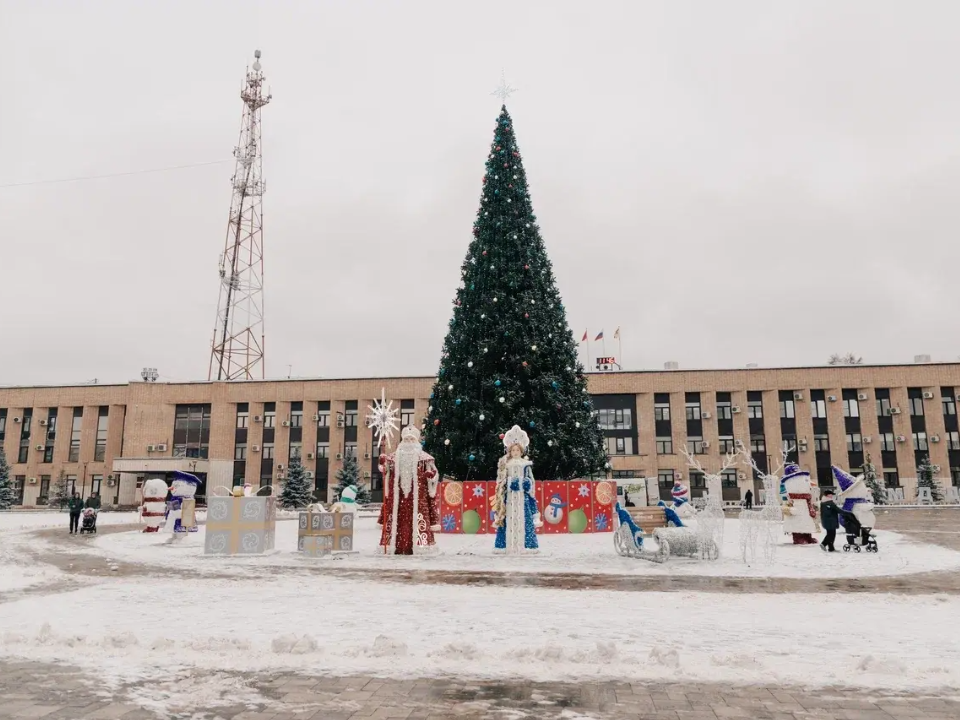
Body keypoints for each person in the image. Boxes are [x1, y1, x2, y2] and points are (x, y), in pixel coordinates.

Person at [378, 425, 440, 554]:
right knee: (397, 521)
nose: (409, 442)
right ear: (402, 441)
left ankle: (420, 546)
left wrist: (431, 477)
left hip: (418, 498)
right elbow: (387, 473)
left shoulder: (425, 458)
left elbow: (434, 475)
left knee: (418, 520)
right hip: (398, 498)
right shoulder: (393, 458)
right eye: (406, 439)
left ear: (416, 441)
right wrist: (383, 465)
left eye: (412, 439)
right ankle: (396, 547)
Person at [491, 425, 543, 554]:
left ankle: (527, 546)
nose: (515, 452)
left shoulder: (525, 464)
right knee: (506, 521)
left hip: (522, 499)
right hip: (509, 499)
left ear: (521, 451)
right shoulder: (505, 464)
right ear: (510, 451)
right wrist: (508, 484)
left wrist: (525, 483)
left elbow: (530, 480)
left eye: (517, 450)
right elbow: (501, 481)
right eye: (513, 450)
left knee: (525, 521)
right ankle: (504, 546)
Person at [781, 465, 817, 545]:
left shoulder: (807, 497)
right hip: (796, 512)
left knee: (806, 524)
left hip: (805, 509)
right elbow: (785, 505)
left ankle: (808, 537)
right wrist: (790, 509)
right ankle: (798, 538)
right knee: (797, 524)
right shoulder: (789, 496)